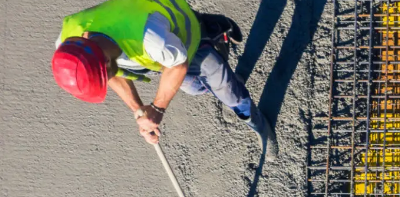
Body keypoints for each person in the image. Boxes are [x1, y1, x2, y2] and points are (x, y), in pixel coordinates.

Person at [51, 0, 278, 158]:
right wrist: (140, 111)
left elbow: (178, 65)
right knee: (195, 88)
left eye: (105, 75)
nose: (107, 80)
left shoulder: (150, 38)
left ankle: (256, 122)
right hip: (159, 52)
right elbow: (112, 75)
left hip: (181, 34)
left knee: (229, 90)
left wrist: (157, 109)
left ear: (106, 62)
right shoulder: (69, 42)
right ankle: (213, 30)